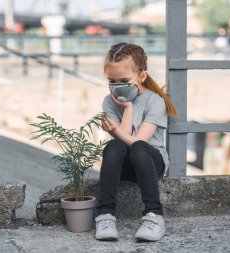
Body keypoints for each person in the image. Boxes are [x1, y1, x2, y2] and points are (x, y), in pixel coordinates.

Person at [95, 42, 177, 242]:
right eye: (112, 81)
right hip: (125, 165)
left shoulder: (155, 101)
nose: (117, 86)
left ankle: (154, 216)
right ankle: (106, 215)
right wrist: (127, 109)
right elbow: (122, 144)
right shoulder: (109, 101)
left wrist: (127, 111)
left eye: (124, 80)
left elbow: (138, 142)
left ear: (142, 76)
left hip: (150, 162)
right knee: (114, 145)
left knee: (138, 147)